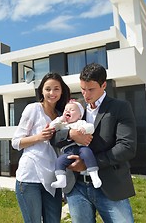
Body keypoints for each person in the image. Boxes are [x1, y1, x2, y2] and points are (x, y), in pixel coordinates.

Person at [51, 63, 137, 223]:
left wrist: (88, 164)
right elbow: (54, 137)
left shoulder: (120, 107)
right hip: (76, 186)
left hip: (110, 184)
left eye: (91, 89)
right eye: (83, 89)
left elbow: (127, 147)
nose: (85, 94)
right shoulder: (76, 108)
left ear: (103, 85)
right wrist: (71, 133)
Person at [12, 72, 71, 223]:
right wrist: (40, 136)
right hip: (30, 177)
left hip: (52, 178)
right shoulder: (33, 109)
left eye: (56, 89)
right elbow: (16, 142)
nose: (52, 93)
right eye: (48, 89)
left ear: (62, 91)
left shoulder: (61, 115)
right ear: (42, 91)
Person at [50, 100, 102, 189]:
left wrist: (84, 129)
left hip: (80, 147)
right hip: (68, 151)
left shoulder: (81, 123)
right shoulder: (62, 125)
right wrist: (60, 119)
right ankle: (61, 180)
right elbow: (52, 127)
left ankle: (94, 175)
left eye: (72, 110)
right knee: (59, 161)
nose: (68, 111)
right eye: (66, 110)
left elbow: (91, 127)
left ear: (80, 116)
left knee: (87, 153)